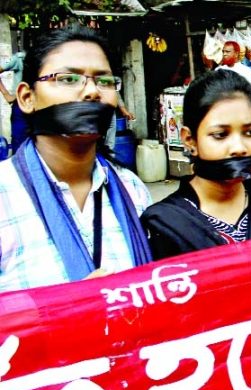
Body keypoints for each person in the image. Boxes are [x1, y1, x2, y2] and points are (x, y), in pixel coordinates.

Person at [0, 26, 151, 291]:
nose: (92, 92)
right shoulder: (5, 195)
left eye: (104, 81)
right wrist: (65, 313)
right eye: (68, 79)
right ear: (26, 98)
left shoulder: (132, 189)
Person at [142, 70, 251, 260]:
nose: (239, 148)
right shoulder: (163, 223)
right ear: (190, 140)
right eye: (220, 135)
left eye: (250, 132)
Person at [218, 40, 251, 105]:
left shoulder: (246, 71)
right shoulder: (219, 70)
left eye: (227, 52)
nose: (224, 54)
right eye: (223, 51)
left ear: (236, 54)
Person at [2, 51, 28, 154]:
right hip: (21, 107)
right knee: (19, 142)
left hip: (42, 106)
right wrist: (6, 94)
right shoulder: (19, 58)